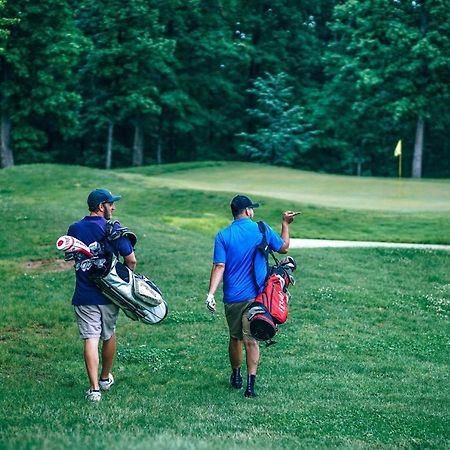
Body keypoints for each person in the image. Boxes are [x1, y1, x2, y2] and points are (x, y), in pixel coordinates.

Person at [206, 194, 298, 398]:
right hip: (257, 296)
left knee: (235, 337)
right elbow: (283, 247)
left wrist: (210, 293)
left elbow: (219, 265)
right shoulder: (261, 229)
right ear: (248, 211)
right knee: (252, 340)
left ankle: (236, 375)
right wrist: (285, 223)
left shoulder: (223, 235)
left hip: (232, 298)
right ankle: (250, 386)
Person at [67, 188, 137, 401]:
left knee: (91, 338)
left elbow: (69, 255)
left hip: (84, 295)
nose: (113, 207)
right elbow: (131, 259)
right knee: (108, 334)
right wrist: (125, 283)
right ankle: (105, 378)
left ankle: (94, 389)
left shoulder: (74, 228)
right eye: (110, 203)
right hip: (109, 294)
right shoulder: (112, 228)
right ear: (101, 206)